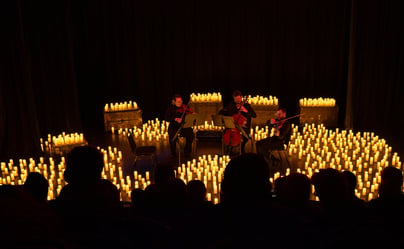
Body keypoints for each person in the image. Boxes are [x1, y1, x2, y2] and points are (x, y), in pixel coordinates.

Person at [219, 90, 256, 155]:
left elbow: (254, 115)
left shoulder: (247, 105)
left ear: (241, 97)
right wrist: (223, 113)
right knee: (225, 133)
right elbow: (223, 111)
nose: (238, 101)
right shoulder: (231, 105)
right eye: (236, 99)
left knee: (243, 139)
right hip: (232, 126)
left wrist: (246, 111)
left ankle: (242, 152)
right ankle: (227, 151)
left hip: (243, 128)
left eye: (239, 99)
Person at [165, 94, 195, 158]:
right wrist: (175, 119)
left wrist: (192, 114)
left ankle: (187, 151)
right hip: (174, 127)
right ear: (174, 102)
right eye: (178, 102)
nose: (180, 103)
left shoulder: (184, 108)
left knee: (191, 134)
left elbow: (188, 116)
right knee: (172, 138)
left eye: (181, 101)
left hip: (183, 127)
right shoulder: (170, 109)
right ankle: (173, 153)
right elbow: (167, 118)